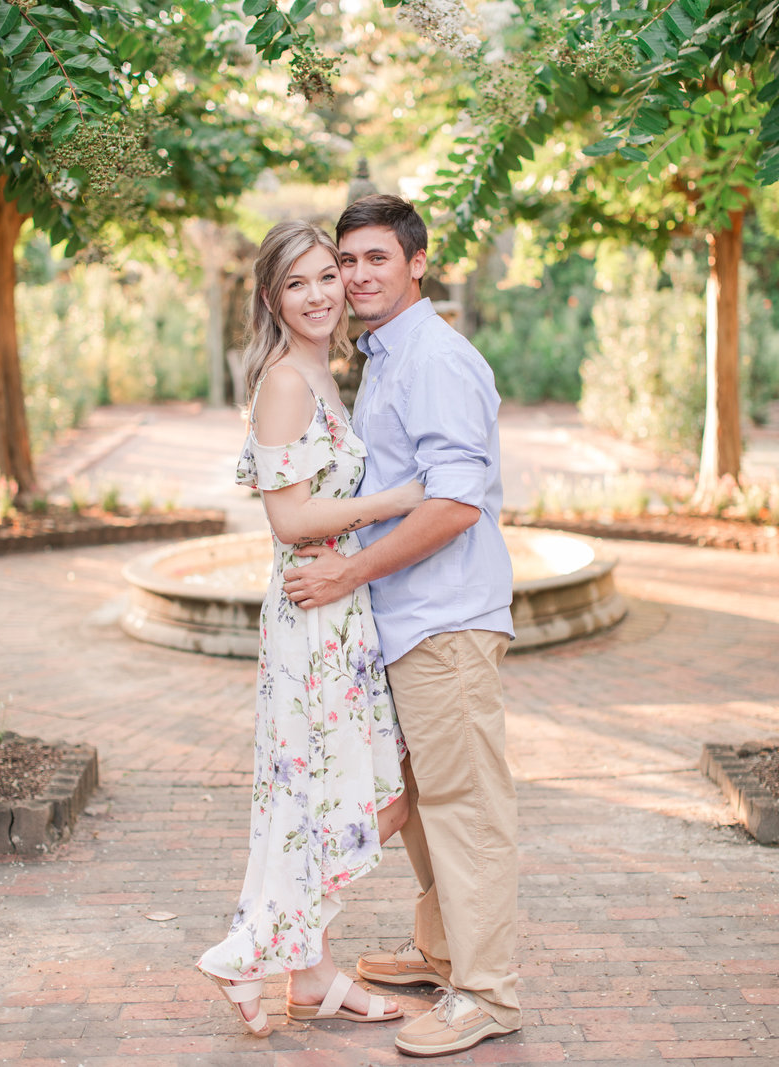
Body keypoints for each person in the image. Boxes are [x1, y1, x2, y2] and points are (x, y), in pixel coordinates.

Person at [282, 194, 521, 1058]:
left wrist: (346, 570)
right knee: (423, 806)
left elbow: (455, 504)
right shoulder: (387, 355)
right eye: (347, 262)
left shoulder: (434, 359)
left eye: (375, 258)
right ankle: (443, 951)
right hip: (407, 623)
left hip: (446, 622)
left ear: (417, 262)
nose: (355, 276)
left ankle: (487, 991)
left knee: (465, 807)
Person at [196, 220, 423, 1037]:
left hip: (340, 607)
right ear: (271, 298)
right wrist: (392, 502)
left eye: (329, 275)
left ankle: (299, 968)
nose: (321, 293)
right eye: (298, 283)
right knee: (321, 792)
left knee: (335, 792)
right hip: (311, 608)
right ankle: (265, 958)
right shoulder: (286, 381)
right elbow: (289, 519)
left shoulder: (325, 373)